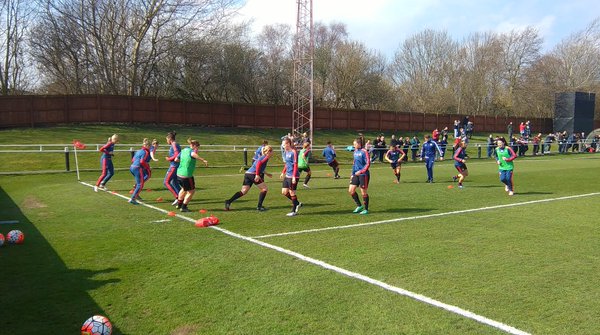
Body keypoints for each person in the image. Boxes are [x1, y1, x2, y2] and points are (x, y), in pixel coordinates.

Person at [225, 145, 273, 211]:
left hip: (248, 174)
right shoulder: (265, 157)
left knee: (243, 191)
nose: (272, 153)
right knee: (264, 189)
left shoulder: (263, 157)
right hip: (252, 174)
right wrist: (257, 175)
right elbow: (258, 164)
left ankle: (228, 201)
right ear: (268, 152)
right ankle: (259, 207)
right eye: (272, 151)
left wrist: (267, 174)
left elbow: (258, 166)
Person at [175, 138, 208, 212]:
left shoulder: (183, 151)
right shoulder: (191, 152)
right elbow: (194, 155)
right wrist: (203, 160)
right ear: (193, 146)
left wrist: (183, 162)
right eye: (197, 147)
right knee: (191, 191)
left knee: (183, 189)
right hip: (186, 175)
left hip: (179, 174)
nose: (197, 149)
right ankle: (184, 207)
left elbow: (176, 160)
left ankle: (179, 205)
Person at [280, 137, 302, 216]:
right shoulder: (286, 152)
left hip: (293, 175)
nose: (283, 145)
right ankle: (297, 203)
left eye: (284, 144)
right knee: (284, 192)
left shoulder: (294, 152)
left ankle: (294, 211)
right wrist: (283, 172)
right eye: (282, 144)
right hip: (287, 175)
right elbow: (286, 164)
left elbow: (295, 164)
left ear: (288, 143)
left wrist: (293, 176)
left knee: (292, 192)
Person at [349, 137, 370, 215]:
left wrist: (361, 171)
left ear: (358, 144)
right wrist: (352, 174)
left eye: (354, 144)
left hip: (363, 174)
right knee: (351, 190)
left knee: (363, 193)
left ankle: (366, 209)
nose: (353, 145)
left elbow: (368, 163)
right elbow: (354, 164)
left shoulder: (364, 151)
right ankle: (359, 206)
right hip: (356, 174)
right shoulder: (355, 152)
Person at [129, 138, 151, 204]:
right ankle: (133, 198)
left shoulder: (139, 151)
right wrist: (147, 167)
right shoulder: (146, 152)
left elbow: (132, 160)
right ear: (147, 146)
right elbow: (142, 161)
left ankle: (136, 195)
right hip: (138, 168)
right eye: (149, 146)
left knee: (139, 182)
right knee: (140, 184)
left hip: (132, 167)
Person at [164, 131, 182, 206]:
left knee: (166, 182)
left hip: (174, 166)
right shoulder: (176, 144)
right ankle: (182, 197)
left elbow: (177, 154)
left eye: (167, 140)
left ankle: (177, 197)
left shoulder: (174, 144)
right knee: (174, 182)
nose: (166, 141)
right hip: (176, 165)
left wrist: (169, 159)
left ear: (170, 139)